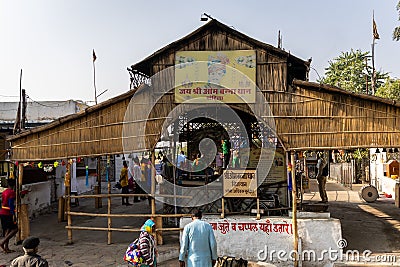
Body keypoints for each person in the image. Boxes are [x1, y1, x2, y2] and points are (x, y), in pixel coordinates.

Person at [0, 178, 18, 253]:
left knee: (7, 230)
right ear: (14, 185)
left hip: (2, 212)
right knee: (15, 229)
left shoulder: (4, 192)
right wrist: (13, 214)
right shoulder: (12, 192)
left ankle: (6, 248)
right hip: (8, 213)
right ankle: (2, 242)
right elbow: (10, 203)